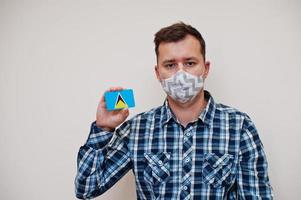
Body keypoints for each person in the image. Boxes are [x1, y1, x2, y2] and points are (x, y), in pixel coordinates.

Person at [74, 22, 274, 199]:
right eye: (170, 65)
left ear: (205, 68)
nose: (181, 74)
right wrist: (103, 129)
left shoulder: (239, 126)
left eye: (190, 63)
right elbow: (87, 188)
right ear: (158, 73)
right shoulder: (136, 130)